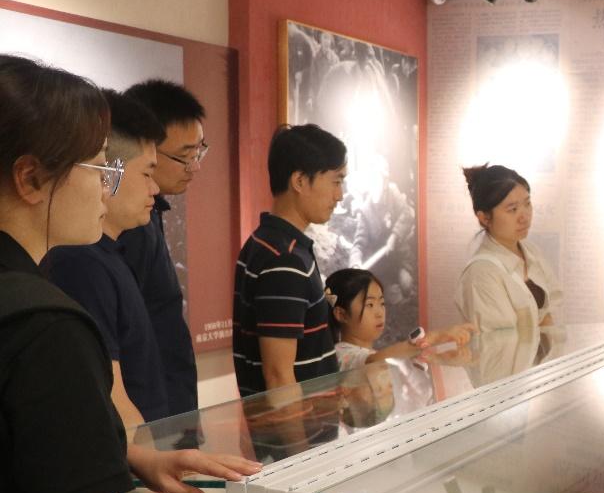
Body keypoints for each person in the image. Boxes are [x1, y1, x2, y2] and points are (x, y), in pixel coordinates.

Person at [0, 55, 257, 493]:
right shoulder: (43, 324)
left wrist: (125, 457)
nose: (106, 183)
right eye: (96, 166)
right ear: (31, 178)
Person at [45, 90, 169, 429]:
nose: (155, 189)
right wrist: (151, 455)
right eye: (146, 174)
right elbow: (111, 393)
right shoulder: (80, 263)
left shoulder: (108, 256)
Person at [232, 124, 344, 397]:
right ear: (300, 181)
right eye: (336, 181)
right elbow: (279, 376)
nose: (339, 195)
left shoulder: (269, 244)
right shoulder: (284, 259)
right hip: (300, 423)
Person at [119, 79, 205, 420]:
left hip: (169, 409)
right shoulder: (129, 228)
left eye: (199, 152)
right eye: (184, 156)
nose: (195, 166)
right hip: (152, 416)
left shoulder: (149, 215)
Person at [456, 164, 562, 330]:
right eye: (512, 209)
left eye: (527, 204)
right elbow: (500, 338)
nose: (524, 217)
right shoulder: (481, 273)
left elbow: (552, 307)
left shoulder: (531, 251)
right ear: (484, 218)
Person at [326, 267, 474, 371]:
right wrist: (436, 337)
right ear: (341, 314)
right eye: (369, 305)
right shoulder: (341, 355)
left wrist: (441, 358)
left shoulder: (369, 354)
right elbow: (372, 360)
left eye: (382, 303)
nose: (379, 313)